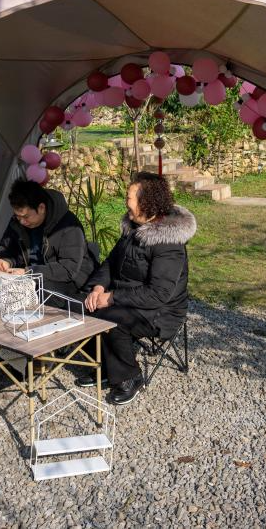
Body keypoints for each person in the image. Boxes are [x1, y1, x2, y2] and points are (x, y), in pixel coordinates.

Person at [78, 172, 196, 405]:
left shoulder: (167, 242)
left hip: (161, 310)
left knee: (111, 319)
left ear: (147, 202)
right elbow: (111, 263)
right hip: (130, 298)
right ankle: (102, 366)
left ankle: (130, 377)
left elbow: (159, 293)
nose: (126, 201)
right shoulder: (133, 227)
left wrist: (112, 298)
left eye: (130, 197)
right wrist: (98, 288)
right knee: (84, 303)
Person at [0, 179, 96, 298]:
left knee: (39, 291)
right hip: (29, 275)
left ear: (41, 208)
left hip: (68, 282)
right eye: (17, 216)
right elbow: (6, 248)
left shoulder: (69, 226)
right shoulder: (18, 223)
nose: (21, 221)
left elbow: (68, 269)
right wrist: (5, 261)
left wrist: (28, 272)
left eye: (25, 216)